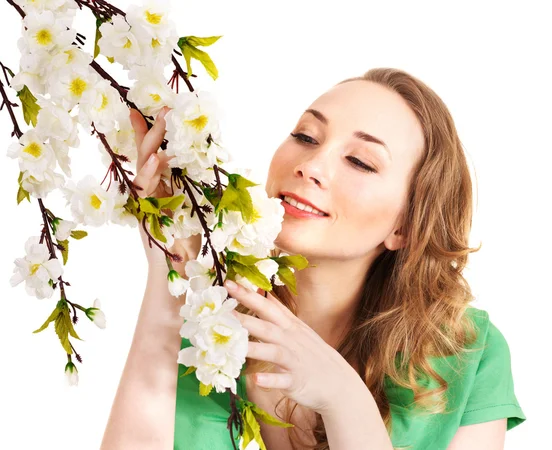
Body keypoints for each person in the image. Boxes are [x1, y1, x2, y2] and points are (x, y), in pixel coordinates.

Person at [100, 68, 526, 450]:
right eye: (305, 136)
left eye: (360, 161)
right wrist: (170, 265)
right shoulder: (207, 321)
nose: (311, 165)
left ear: (405, 227)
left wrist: (345, 400)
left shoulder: (469, 356)